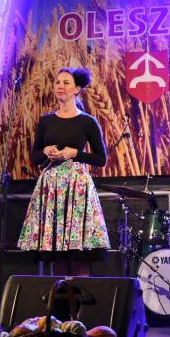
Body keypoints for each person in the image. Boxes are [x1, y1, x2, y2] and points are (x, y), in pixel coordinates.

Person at [17, 67, 109, 276]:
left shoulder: (87, 121)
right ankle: (58, 293)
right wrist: (45, 151)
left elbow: (100, 159)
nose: (60, 86)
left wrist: (75, 153)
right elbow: (35, 157)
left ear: (77, 89)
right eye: (58, 82)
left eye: (66, 82)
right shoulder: (46, 120)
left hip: (77, 187)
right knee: (56, 248)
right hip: (52, 188)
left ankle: (80, 293)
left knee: (77, 253)